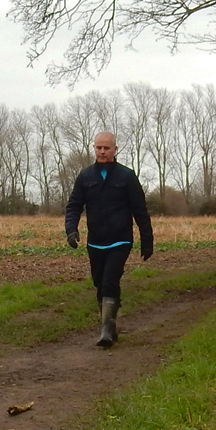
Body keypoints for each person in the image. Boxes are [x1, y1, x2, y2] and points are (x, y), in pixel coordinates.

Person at [65, 132, 153, 347]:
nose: (102, 152)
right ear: (94, 149)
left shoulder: (126, 176)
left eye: (106, 148)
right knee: (99, 283)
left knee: (109, 281)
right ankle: (110, 324)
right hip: (95, 241)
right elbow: (74, 206)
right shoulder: (86, 177)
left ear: (115, 149)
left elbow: (140, 210)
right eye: (98, 148)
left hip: (120, 240)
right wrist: (71, 229)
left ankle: (105, 330)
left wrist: (147, 239)